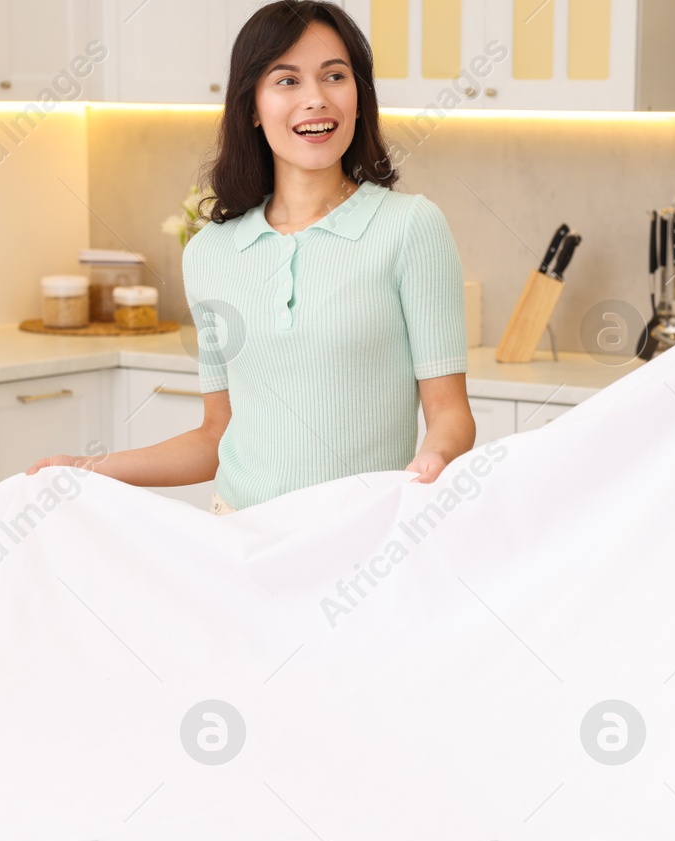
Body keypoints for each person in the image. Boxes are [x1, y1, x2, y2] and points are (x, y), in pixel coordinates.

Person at [30, 1, 476, 509]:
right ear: (252, 108)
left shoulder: (409, 227)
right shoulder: (209, 253)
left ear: (358, 98)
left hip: (357, 539)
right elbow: (215, 437)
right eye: (287, 81)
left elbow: (450, 414)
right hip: (236, 537)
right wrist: (90, 469)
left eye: (335, 76)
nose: (316, 99)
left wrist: (433, 461)